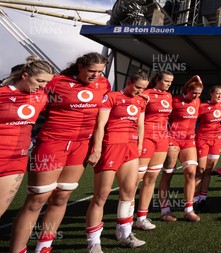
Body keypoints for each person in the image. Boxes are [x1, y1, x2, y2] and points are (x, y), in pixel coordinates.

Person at [10, 52, 111, 253]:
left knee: (61, 197)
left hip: (81, 146)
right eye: (91, 71)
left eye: (100, 72)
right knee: (37, 199)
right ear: (80, 67)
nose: (95, 76)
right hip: (51, 144)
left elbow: (102, 118)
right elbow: (27, 92)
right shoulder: (56, 82)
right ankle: (17, 250)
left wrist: (97, 147)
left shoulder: (104, 84)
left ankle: (44, 247)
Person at [85, 70, 149, 252]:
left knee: (129, 192)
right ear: (128, 81)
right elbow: (100, 125)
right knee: (101, 196)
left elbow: (141, 124)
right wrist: (97, 149)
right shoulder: (111, 97)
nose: (139, 91)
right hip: (111, 146)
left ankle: (124, 234)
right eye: (137, 87)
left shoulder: (141, 100)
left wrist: (139, 145)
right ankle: (93, 242)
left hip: (130, 147)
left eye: (143, 88)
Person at [0, 57, 53, 218]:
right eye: (39, 80)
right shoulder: (2, 94)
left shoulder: (42, 97)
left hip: (16, 161)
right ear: (24, 76)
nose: (43, 86)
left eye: (46, 83)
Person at [158, 76, 202, 223]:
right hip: (173, 140)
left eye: (199, 94)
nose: (196, 96)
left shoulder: (197, 101)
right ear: (187, 90)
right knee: (167, 175)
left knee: (191, 173)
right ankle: (165, 210)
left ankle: (189, 210)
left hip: (189, 141)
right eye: (194, 93)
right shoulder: (174, 101)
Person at [134, 71, 173, 230]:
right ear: (157, 80)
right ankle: (125, 218)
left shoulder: (169, 96)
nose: (169, 84)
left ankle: (141, 218)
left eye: (170, 82)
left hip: (162, 139)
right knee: (136, 180)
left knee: (151, 178)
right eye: (166, 81)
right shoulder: (145, 94)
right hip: (147, 138)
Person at [194, 85, 221, 211]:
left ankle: (203, 198)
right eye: (217, 93)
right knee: (200, 171)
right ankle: (195, 200)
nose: (219, 96)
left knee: (208, 171)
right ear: (211, 93)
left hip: (216, 141)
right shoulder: (201, 107)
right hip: (202, 140)